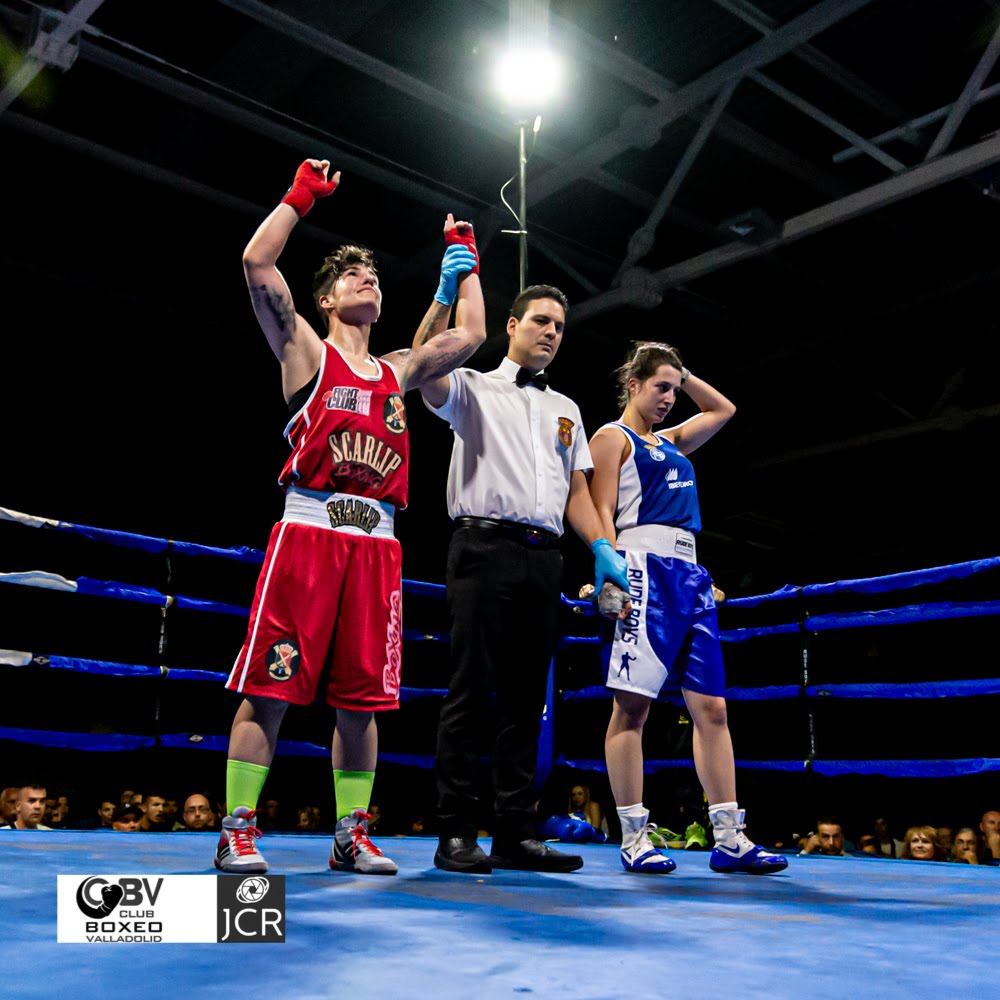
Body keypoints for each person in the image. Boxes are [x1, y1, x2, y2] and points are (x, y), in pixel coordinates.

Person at [217, 158, 486, 878]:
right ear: (329, 298)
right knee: (270, 689)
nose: (370, 279)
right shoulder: (305, 349)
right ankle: (238, 830)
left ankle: (350, 833)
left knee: (361, 703)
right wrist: (299, 197)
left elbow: (470, 337)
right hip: (308, 536)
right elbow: (255, 261)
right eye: (354, 275)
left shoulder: (396, 372)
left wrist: (464, 267)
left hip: (377, 548)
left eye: (373, 273)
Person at [415, 283, 631, 875]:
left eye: (559, 326)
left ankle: (514, 832)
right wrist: (446, 298)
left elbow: (578, 493)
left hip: (546, 557)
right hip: (483, 546)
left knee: (526, 700)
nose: (551, 333)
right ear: (511, 325)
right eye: (540, 321)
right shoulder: (471, 385)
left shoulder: (568, 408)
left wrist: (603, 547)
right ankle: (455, 830)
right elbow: (422, 367)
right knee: (470, 689)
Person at [587, 341, 787, 876]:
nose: (671, 398)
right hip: (639, 572)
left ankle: (729, 837)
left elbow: (724, 411)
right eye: (661, 387)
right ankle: (632, 835)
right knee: (632, 708)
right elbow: (601, 507)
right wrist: (606, 574)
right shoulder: (612, 437)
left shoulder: (674, 441)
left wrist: (682, 370)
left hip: (692, 577)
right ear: (633, 386)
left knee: (713, 710)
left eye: (675, 389)